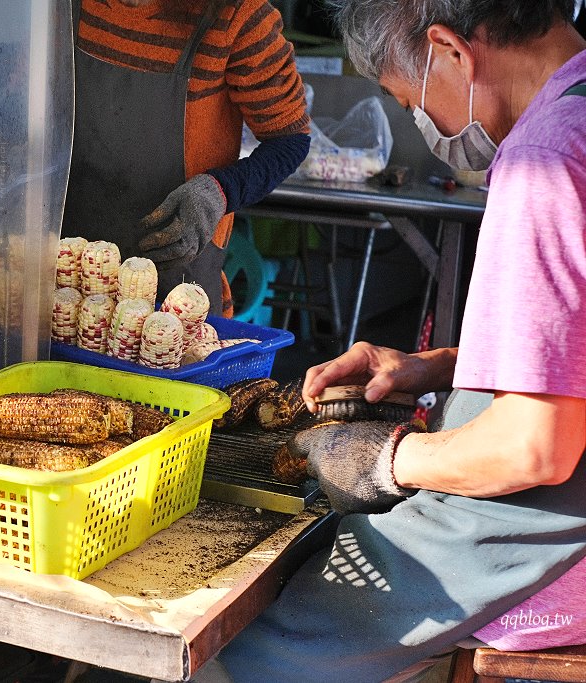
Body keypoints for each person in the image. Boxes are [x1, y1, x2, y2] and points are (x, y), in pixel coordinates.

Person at [211, 1, 586, 681]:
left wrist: (387, 458)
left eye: (404, 98)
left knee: (256, 642)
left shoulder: (547, 161)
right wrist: (439, 367)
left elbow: (536, 445)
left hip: (551, 554)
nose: (423, 120)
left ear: (450, 52)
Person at [62, 0, 311, 315]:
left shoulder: (239, 17)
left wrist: (219, 190)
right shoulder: (61, 9)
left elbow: (289, 140)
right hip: (60, 262)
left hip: (173, 275)